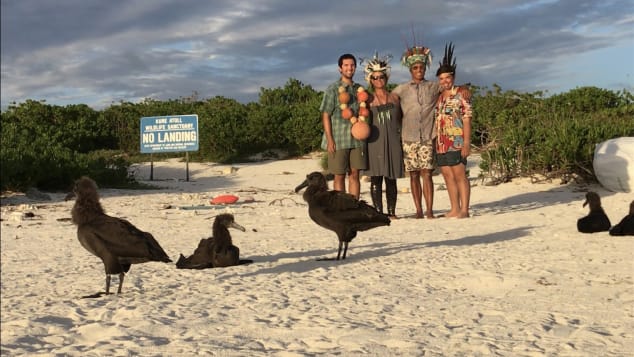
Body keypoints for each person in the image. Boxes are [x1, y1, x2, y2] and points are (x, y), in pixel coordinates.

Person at [392, 44, 439, 219]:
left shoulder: (434, 87)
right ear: (411, 70)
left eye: (421, 67)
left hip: (427, 135)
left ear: (425, 68)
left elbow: (449, 88)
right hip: (408, 136)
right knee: (413, 174)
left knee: (427, 172)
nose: (419, 70)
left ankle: (429, 210)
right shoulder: (401, 88)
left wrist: (463, 89)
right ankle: (418, 210)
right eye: (415, 68)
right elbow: (389, 100)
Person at [361, 53, 404, 218]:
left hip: (392, 140)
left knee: (391, 178)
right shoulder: (368, 99)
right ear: (370, 80)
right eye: (375, 77)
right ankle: (378, 212)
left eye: (381, 77)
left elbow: (400, 118)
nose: (379, 80)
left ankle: (392, 212)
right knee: (376, 178)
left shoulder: (394, 98)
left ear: (386, 77)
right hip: (374, 141)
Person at [319, 53, 366, 198]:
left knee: (354, 175)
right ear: (340, 68)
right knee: (339, 176)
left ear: (355, 68)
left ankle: (354, 207)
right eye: (346, 65)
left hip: (357, 139)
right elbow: (325, 114)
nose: (349, 68)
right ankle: (340, 209)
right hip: (338, 139)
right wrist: (330, 139)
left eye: (352, 65)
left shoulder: (360, 89)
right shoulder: (333, 89)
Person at [435, 42, 472, 218]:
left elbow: (466, 119)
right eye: (441, 79)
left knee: (460, 175)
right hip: (441, 143)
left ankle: (464, 209)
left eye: (447, 78)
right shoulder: (439, 97)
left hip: (457, 141)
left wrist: (466, 142)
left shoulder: (461, 95)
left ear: (454, 77)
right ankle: (454, 208)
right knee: (448, 176)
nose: (444, 81)